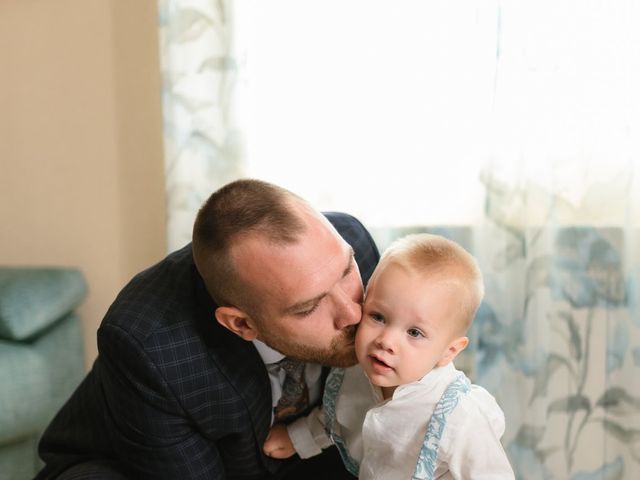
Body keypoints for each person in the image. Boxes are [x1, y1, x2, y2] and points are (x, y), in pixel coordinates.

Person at [35, 178, 380, 479]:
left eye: (345, 271)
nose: (353, 312)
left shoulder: (355, 248)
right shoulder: (150, 344)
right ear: (241, 323)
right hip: (129, 466)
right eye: (309, 307)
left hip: (298, 454)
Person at [263, 233, 515, 479]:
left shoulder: (461, 417)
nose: (386, 341)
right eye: (378, 317)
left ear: (448, 351)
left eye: (414, 332)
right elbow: (338, 417)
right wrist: (299, 439)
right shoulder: (354, 371)